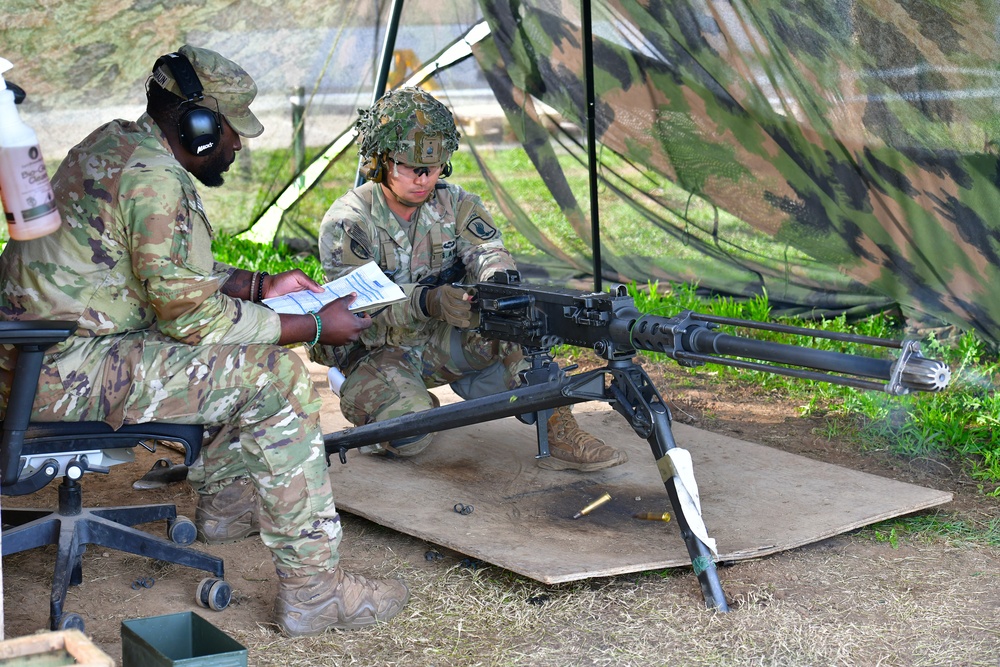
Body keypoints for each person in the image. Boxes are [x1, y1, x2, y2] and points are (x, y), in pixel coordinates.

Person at [0, 44, 408, 637]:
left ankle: (225, 505)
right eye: (231, 130)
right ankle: (315, 594)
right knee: (277, 377)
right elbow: (195, 323)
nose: (238, 145)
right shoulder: (156, 182)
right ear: (195, 128)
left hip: (34, 356)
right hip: (64, 370)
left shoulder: (114, 143)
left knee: (244, 352)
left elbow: (148, 270)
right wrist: (317, 325)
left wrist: (260, 284)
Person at [315, 87, 627, 471]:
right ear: (379, 161)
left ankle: (559, 426)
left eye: (435, 166)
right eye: (412, 168)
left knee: (517, 330)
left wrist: (498, 284)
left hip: (444, 341)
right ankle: (355, 389)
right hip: (378, 350)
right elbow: (356, 303)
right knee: (411, 434)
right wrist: (427, 300)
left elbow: (489, 253)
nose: (425, 178)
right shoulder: (348, 221)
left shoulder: (458, 204)